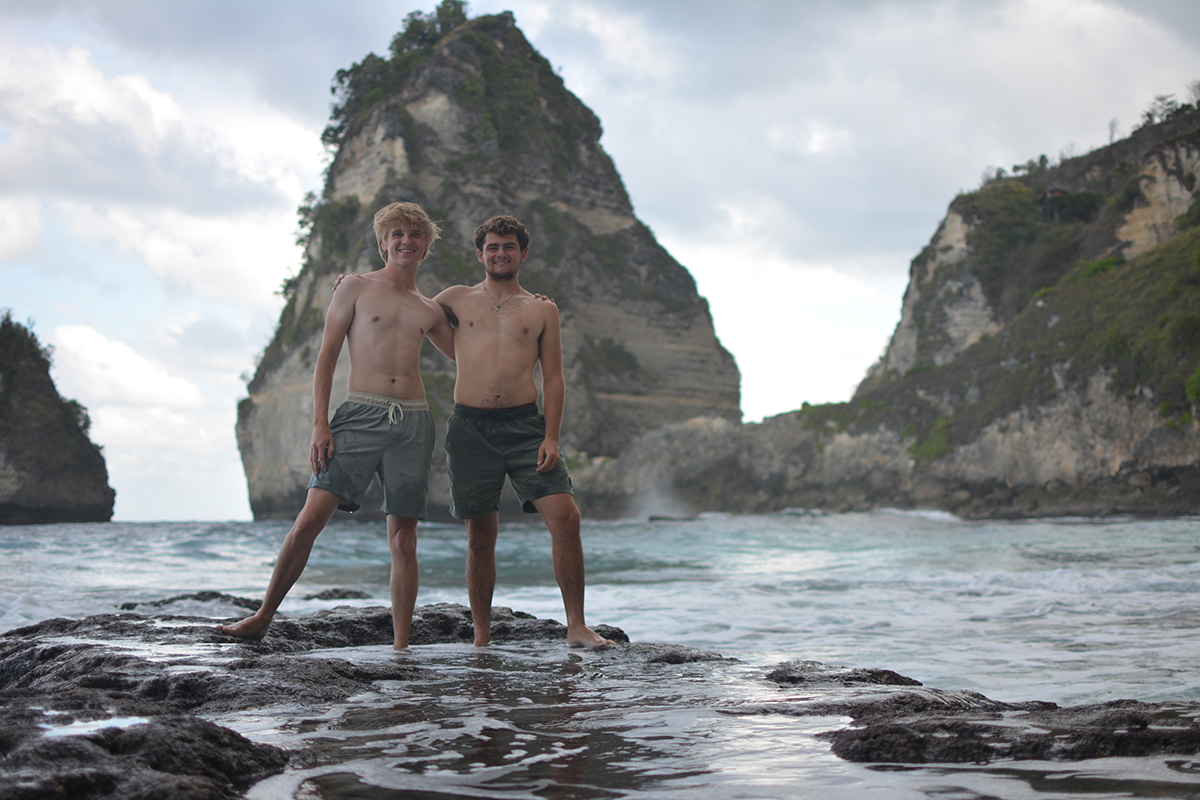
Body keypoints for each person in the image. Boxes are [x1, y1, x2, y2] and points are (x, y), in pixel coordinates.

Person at [217, 202, 455, 649]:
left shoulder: (430, 309)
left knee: (404, 540)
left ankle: (401, 648)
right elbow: (326, 356)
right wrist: (319, 424)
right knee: (309, 519)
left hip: (414, 423)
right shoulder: (355, 288)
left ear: (426, 246)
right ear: (383, 242)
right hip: (359, 414)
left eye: (415, 235)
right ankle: (263, 616)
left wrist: (511, 309)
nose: (406, 240)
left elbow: (468, 353)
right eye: (397, 234)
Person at [434, 215, 614, 648]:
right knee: (480, 535)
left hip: (525, 427)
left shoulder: (542, 308)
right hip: (469, 428)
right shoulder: (455, 299)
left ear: (523, 253)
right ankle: (481, 636)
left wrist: (551, 436)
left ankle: (576, 626)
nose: (500, 254)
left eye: (509, 247)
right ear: (480, 254)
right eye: (492, 247)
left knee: (566, 518)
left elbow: (554, 378)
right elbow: (404, 304)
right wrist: (354, 282)